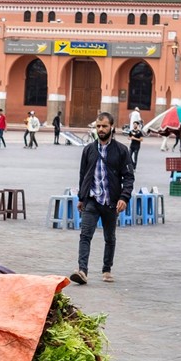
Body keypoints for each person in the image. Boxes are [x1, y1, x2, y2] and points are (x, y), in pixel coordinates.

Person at [69, 112, 134, 285]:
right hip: (92, 201)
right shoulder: (89, 150)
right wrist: (81, 198)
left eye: (104, 126)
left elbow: (128, 176)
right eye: (98, 126)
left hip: (111, 203)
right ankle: (82, 270)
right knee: (85, 235)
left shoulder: (121, 150)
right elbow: (83, 175)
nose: (101, 129)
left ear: (112, 127)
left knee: (109, 237)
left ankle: (106, 269)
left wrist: (124, 197)